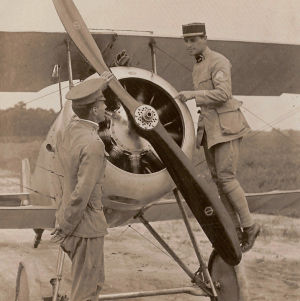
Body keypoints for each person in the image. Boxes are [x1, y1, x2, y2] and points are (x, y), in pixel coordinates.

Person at [175, 23, 260, 252]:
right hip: (211, 131)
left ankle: (250, 226)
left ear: (205, 38)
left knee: (227, 178)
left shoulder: (219, 61)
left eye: (194, 40)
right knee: (219, 181)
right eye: (186, 40)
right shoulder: (198, 66)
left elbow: (224, 94)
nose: (189, 45)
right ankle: (234, 229)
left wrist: (194, 94)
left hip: (226, 128)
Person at [51, 71, 114, 301]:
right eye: (102, 104)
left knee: (88, 286)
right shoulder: (94, 143)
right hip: (86, 227)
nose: (106, 108)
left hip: (75, 225)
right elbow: (82, 193)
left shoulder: (71, 132)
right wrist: (66, 225)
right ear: (94, 110)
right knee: (86, 293)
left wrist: (63, 222)